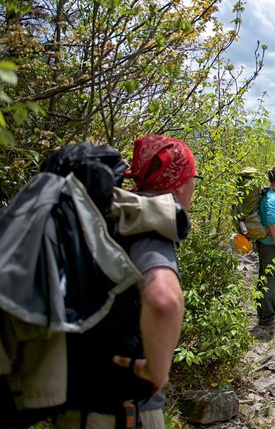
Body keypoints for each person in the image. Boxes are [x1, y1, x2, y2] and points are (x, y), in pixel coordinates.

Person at [53, 135, 198, 429]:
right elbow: (163, 300)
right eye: (194, 177)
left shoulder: (102, 218)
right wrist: (158, 371)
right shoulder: (149, 225)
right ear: (181, 182)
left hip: (72, 404)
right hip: (123, 411)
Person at [255, 165, 275, 327]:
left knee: (264, 278)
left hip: (264, 242)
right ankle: (268, 319)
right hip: (270, 244)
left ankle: (263, 315)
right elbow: (270, 218)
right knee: (271, 281)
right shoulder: (273, 197)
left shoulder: (268, 194)